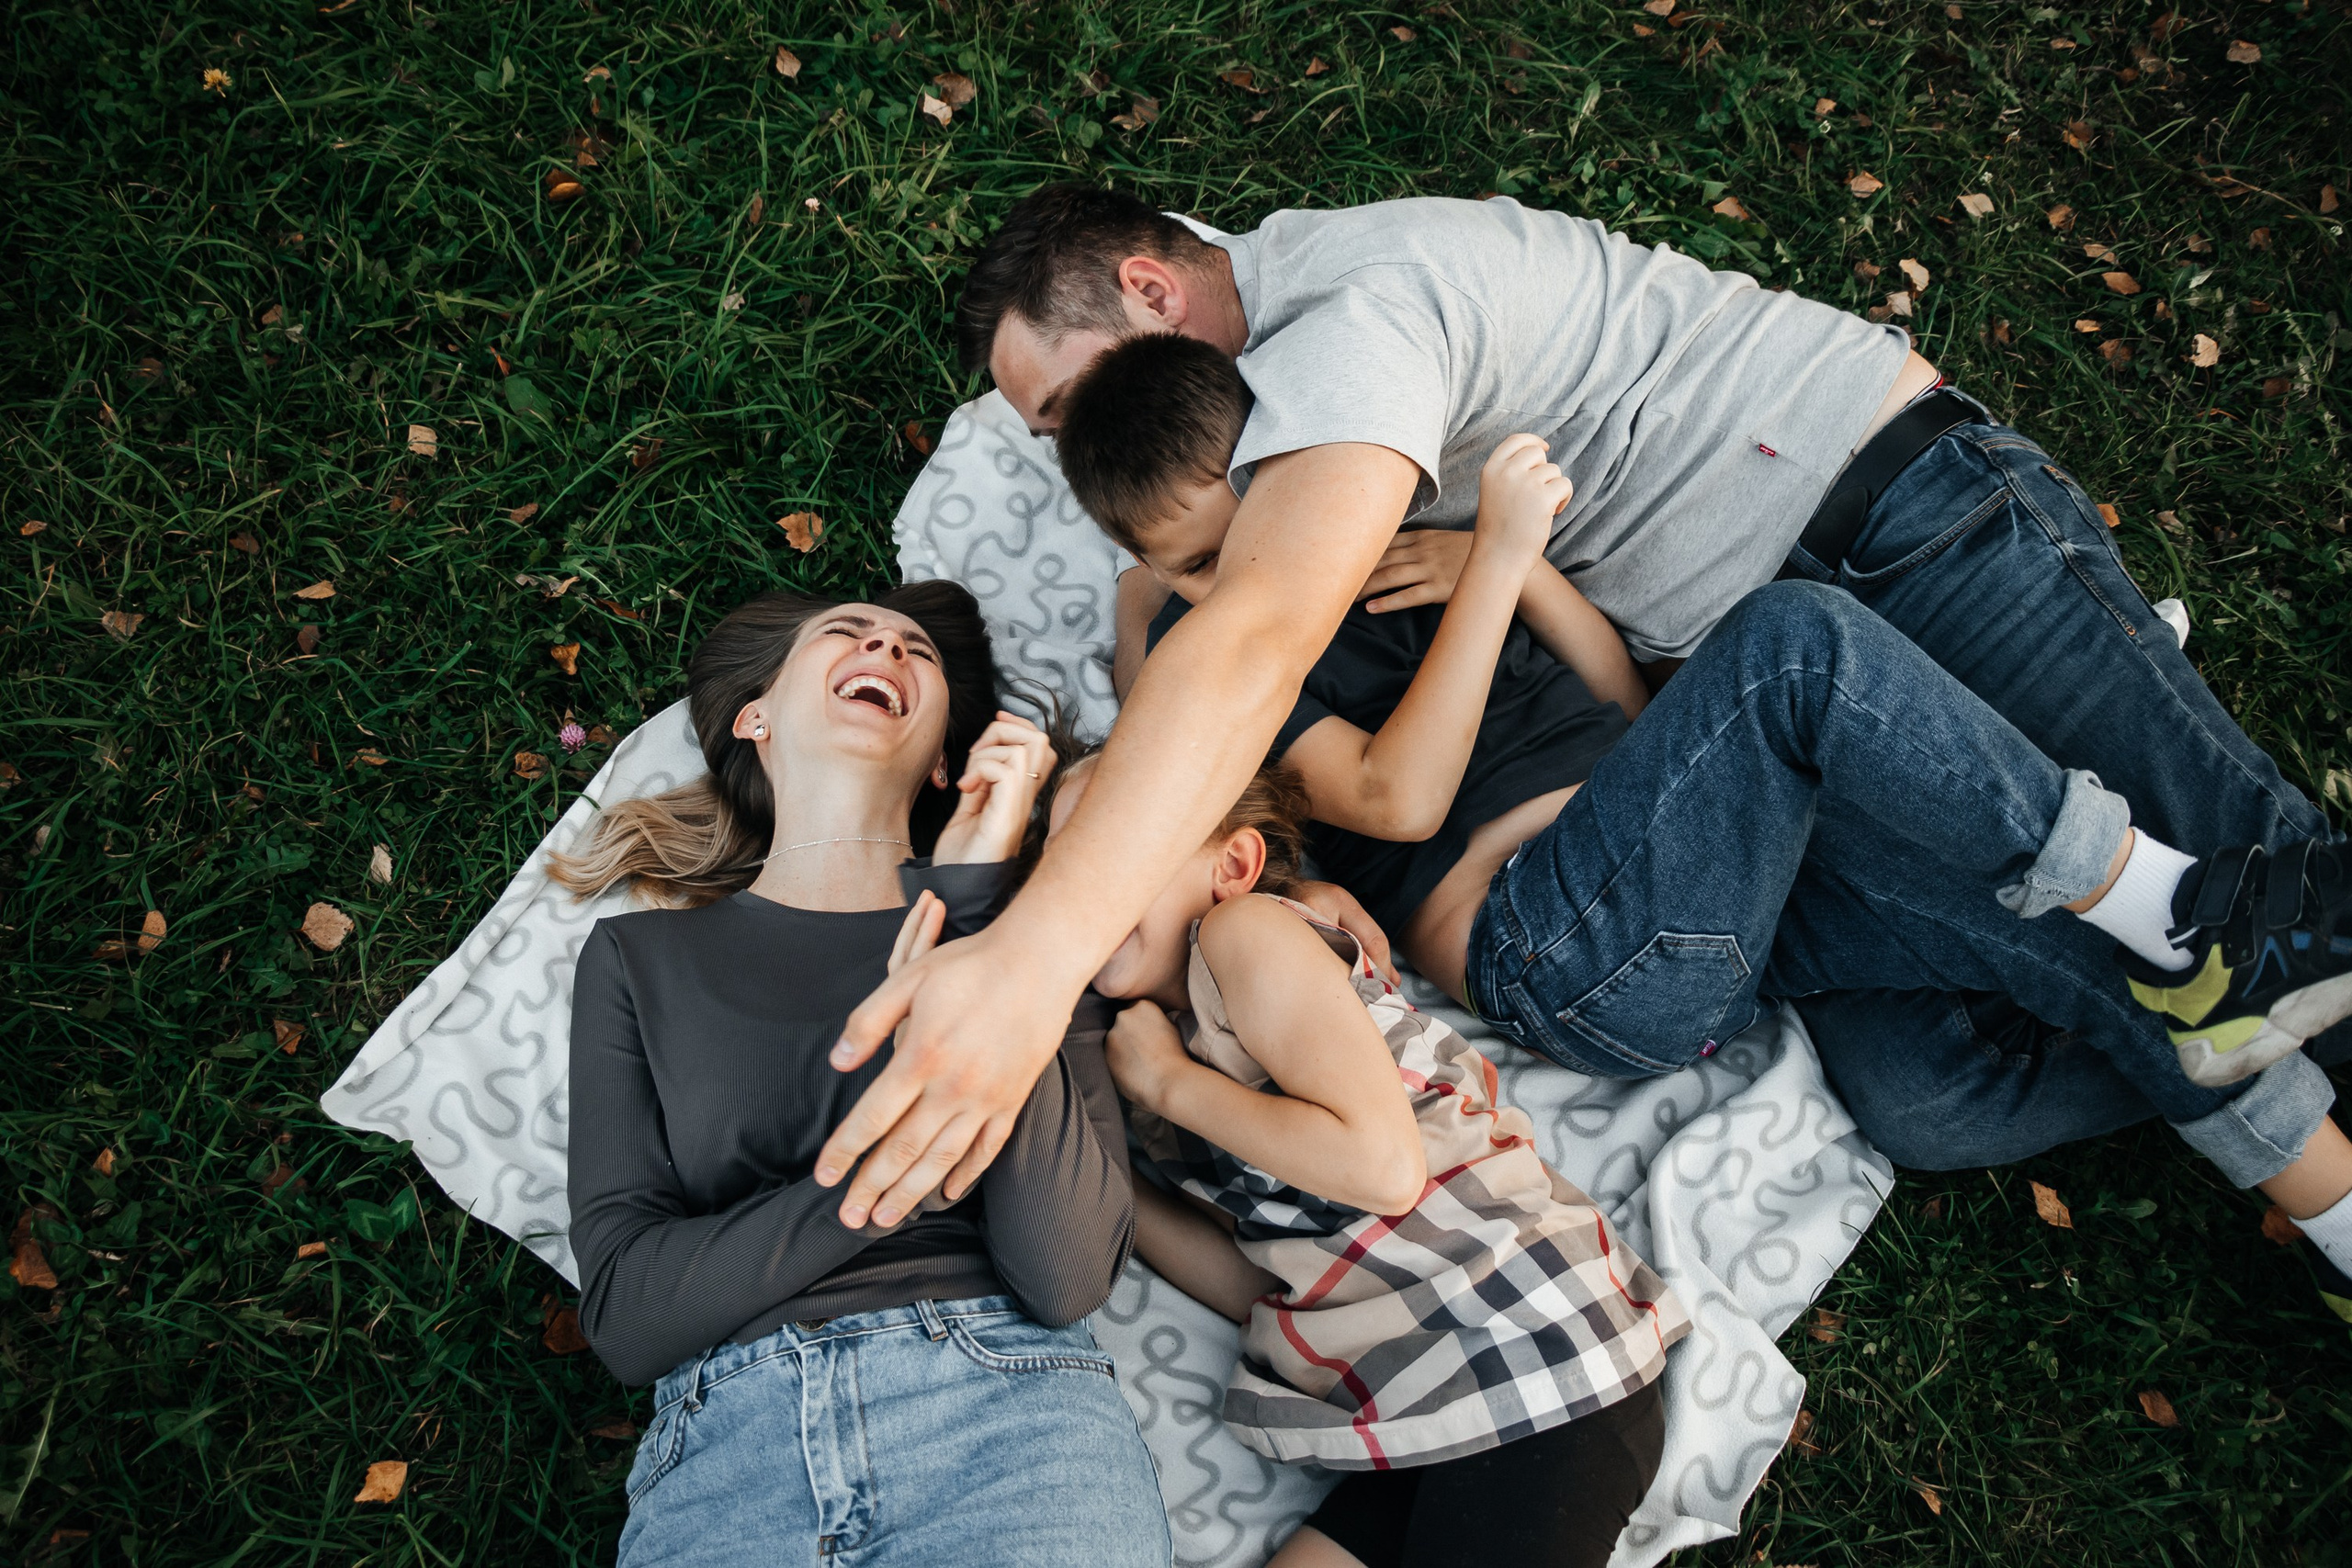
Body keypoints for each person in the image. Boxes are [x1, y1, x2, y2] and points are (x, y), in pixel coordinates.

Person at [808, 183, 2342, 1241]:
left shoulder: (1345, 334)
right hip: (1704, 815)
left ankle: (2206, 970)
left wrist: (1034, 959)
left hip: (1897, 529)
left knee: (2251, 913)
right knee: (1936, 1076)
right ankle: (2208, 996)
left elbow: (1261, 636)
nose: (1073, 446)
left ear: (1153, 293)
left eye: (1064, 403)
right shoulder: (1277, 477)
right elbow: (1260, 663)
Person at [1050, 330, 2352, 1319]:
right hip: (1564, 942)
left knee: (1928, 1091)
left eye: (1257, 533)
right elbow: (1399, 798)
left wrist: (1517, 572)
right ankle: (2174, 901)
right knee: (1792, 646)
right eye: (1197, 566)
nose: (1252, 578)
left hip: (1724, 896)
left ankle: (2303, 1137)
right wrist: (1494, 560)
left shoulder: (1400, 542)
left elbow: (1627, 707)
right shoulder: (1226, 665)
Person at [552, 583, 1170, 1568]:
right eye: (846, 632)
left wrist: (975, 909)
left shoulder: (1036, 935)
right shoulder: (639, 962)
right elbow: (629, 1315)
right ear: (755, 717)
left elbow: (1065, 1274)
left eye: (915, 650)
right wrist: (897, 1181)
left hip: (1011, 1437)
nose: (884, 645)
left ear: (943, 762)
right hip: (732, 1461)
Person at [1049, 752, 1683, 1568]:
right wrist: (1112, 1189)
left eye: (1109, 841)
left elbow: (1383, 1165)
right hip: (1422, 1400)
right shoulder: (1168, 1065)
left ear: (1232, 866)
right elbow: (1267, 1277)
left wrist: (1172, 1084)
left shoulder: (1243, 936)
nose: (1076, 882)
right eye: (1055, 863)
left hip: (1534, 1349)